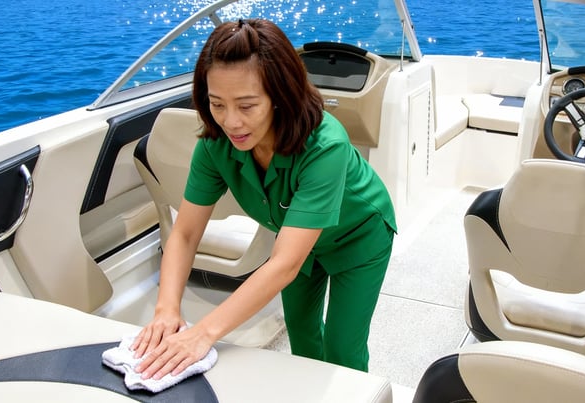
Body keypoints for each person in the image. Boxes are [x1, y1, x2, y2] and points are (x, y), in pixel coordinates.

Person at [131, 18, 396, 380]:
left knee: (343, 349)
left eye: (247, 105)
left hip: (357, 236)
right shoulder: (215, 144)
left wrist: (202, 334)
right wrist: (166, 310)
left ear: (279, 97)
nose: (231, 122)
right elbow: (186, 233)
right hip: (295, 237)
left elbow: (284, 264)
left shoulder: (325, 144)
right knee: (302, 337)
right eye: (217, 104)